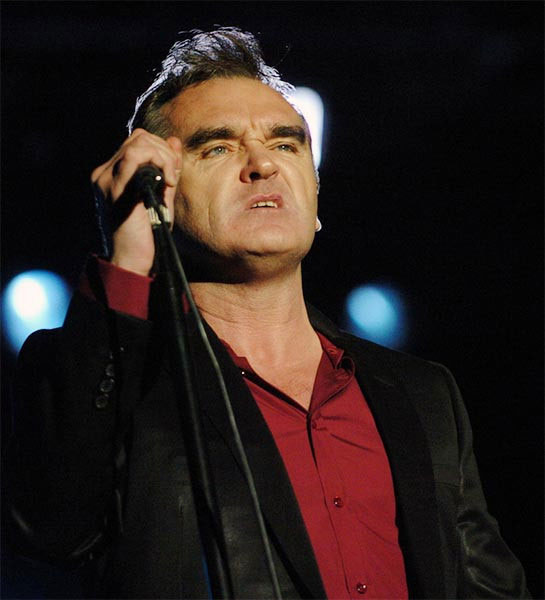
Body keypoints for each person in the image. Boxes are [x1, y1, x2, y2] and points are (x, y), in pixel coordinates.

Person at [4, 27, 530, 599]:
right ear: (162, 192)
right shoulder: (113, 380)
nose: (262, 164)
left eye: (286, 145)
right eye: (218, 147)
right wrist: (130, 253)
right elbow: (52, 528)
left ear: (317, 198)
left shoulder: (424, 393)